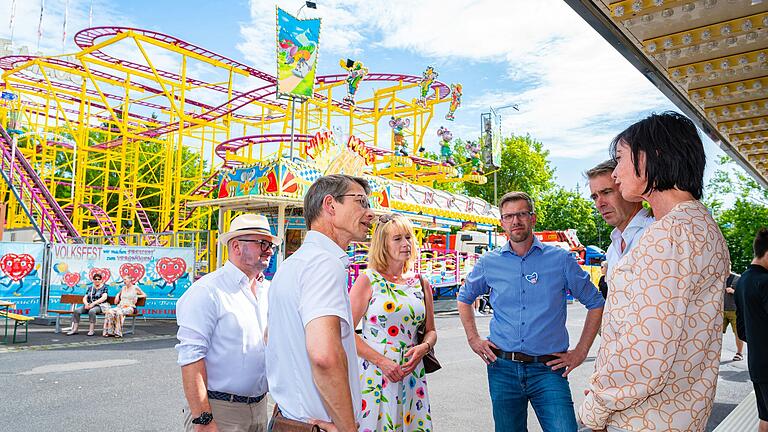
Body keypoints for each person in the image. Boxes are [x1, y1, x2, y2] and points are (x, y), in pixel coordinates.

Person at [579, 112, 730, 432]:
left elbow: (644, 356)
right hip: (678, 414)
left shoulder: (667, 237)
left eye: (619, 159)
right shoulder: (700, 226)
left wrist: (595, 405)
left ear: (652, 156)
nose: (616, 173)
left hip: (642, 419)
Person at [457, 191, 605, 432]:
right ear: (501, 223)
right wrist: (473, 339)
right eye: (508, 216)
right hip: (502, 367)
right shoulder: (489, 262)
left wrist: (581, 352)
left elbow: (595, 302)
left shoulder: (560, 259)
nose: (515, 221)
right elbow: (464, 298)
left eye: (521, 214)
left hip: (549, 369)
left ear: (533, 218)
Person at [266, 174, 375, 432]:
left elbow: (270, 336)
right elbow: (324, 355)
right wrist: (348, 428)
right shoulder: (324, 265)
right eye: (361, 201)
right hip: (316, 425)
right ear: (330, 205)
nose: (369, 213)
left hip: (290, 418)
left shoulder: (293, 264)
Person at [176, 213, 278, 432]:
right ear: (236, 246)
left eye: (270, 244)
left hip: (260, 408)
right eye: (262, 243)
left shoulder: (269, 290)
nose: (269, 250)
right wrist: (203, 420)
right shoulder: (207, 291)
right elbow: (191, 357)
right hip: (219, 410)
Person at [349, 213, 436, 431]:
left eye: (408, 237)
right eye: (397, 239)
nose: (406, 244)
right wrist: (382, 362)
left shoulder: (421, 282)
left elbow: (431, 331)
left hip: (411, 373)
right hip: (375, 374)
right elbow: (345, 331)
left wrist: (423, 349)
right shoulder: (369, 279)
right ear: (383, 244)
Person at [586, 159, 654, 271]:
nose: (599, 204)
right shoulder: (613, 248)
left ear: (628, 189)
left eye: (607, 192)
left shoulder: (655, 233)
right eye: (595, 197)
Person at [735, 227, 768, 432]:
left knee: (765, 418)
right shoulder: (765, 282)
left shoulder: (743, 280)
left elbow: (742, 331)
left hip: (757, 363)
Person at [724, 271, 744, 361]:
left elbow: (743, 293)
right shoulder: (719, 277)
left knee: (737, 333)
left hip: (734, 311)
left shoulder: (738, 278)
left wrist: (733, 291)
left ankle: (739, 353)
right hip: (720, 310)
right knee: (714, 333)